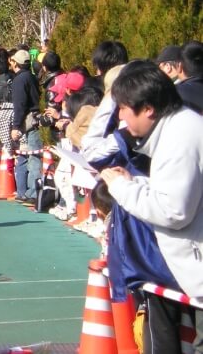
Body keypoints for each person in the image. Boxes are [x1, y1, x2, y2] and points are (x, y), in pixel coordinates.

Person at [100, 60, 203, 353]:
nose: (120, 117)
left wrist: (122, 188)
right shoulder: (179, 128)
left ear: (148, 108)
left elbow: (174, 211)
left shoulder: (178, 138)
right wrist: (135, 183)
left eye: (123, 108)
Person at [9, 49, 41, 202]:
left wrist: (15, 126)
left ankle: (33, 192)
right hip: (35, 118)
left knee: (33, 156)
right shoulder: (32, 77)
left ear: (15, 63)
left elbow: (20, 105)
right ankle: (29, 191)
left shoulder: (19, 80)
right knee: (31, 156)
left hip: (29, 121)